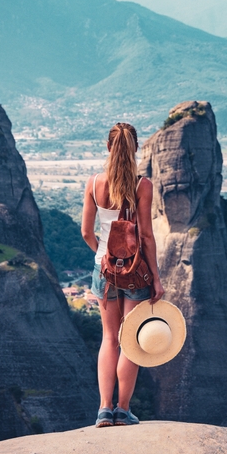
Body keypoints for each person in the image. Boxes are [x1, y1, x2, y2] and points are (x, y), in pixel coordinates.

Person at [81, 122, 164, 428]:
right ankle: (123, 410)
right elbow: (146, 237)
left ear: (108, 148)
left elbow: (86, 232)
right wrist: (155, 277)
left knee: (108, 339)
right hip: (135, 274)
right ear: (135, 149)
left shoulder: (94, 184)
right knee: (131, 340)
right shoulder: (143, 186)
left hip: (104, 269)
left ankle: (103, 409)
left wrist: (102, 254)